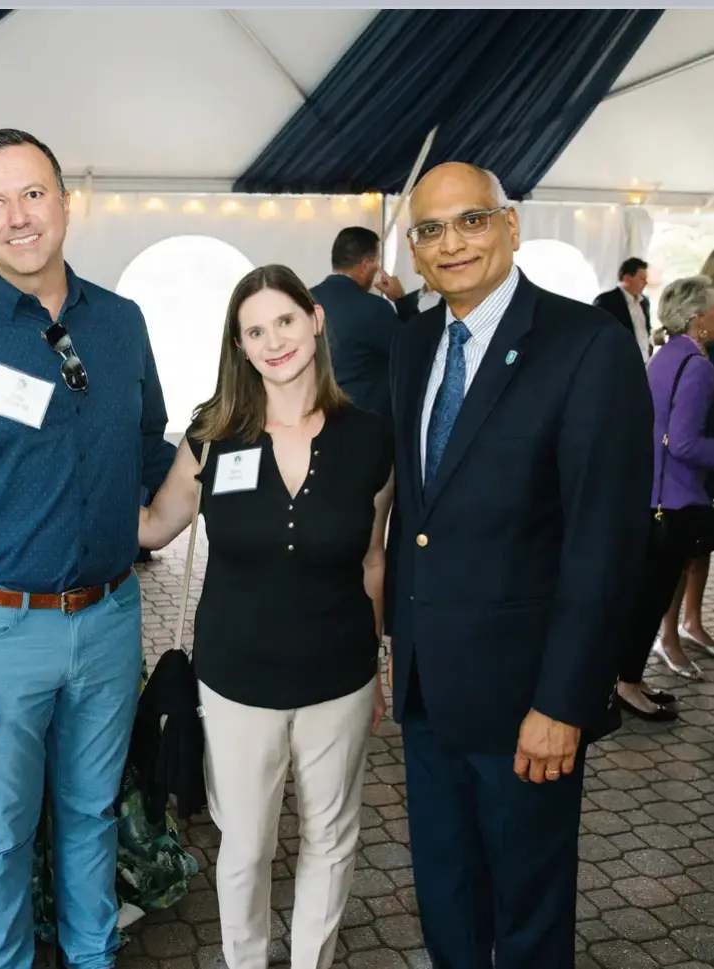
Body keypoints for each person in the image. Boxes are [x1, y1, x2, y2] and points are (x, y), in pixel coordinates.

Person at [0, 127, 175, 969]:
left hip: (110, 615)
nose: (18, 217)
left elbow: (151, 444)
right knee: (4, 832)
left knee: (91, 815)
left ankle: (92, 957)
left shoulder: (121, 322)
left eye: (32, 194)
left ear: (64, 199)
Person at [386, 162, 652, 969]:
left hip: (525, 705)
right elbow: (416, 513)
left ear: (509, 225)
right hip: (427, 692)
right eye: (430, 229)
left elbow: (604, 543)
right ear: (413, 249)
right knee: (446, 897)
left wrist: (564, 700)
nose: (451, 243)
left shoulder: (585, 346)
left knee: (529, 918)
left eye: (470, 221)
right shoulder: (411, 343)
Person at [138, 263, 392, 969]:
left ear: (314, 319)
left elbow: (372, 560)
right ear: (239, 347)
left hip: (338, 674)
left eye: (283, 320)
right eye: (254, 330)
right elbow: (156, 524)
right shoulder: (213, 435)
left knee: (330, 835)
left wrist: (376, 664)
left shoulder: (369, 436)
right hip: (234, 676)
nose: (273, 339)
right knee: (245, 845)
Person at [616, 275, 714, 699]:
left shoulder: (665, 354)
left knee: (647, 597)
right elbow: (686, 441)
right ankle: (629, 684)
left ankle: (626, 681)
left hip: (653, 493)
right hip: (675, 499)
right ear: (699, 320)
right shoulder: (697, 365)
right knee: (651, 600)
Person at [310, 226, 411, 424]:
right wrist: (402, 301)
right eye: (376, 262)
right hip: (365, 425)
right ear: (365, 264)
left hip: (315, 421)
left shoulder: (304, 300)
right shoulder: (374, 309)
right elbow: (413, 352)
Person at [594, 257, 652, 361]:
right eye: (642, 279)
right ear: (627, 279)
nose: (646, 283)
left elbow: (646, 330)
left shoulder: (644, 302)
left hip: (644, 363)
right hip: (618, 361)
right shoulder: (606, 301)